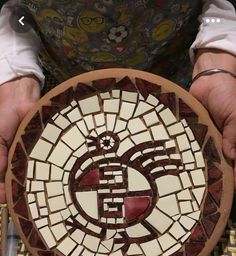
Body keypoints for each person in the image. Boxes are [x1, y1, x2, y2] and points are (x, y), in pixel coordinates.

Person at [0, 0, 236, 204]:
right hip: (64, 84)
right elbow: (16, 10)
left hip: (181, 78)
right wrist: (16, 82)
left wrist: (216, 60)